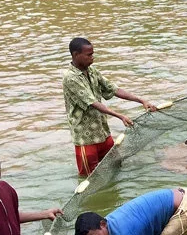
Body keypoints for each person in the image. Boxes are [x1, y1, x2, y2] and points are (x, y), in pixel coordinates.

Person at [63, 37, 159, 176]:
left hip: (102, 132)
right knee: (89, 178)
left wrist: (141, 100)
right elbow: (93, 103)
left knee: (115, 167)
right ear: (76, 55)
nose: (92, 58)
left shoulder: (92, 71)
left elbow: (113, 89)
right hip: (85, 138)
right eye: (89, 55)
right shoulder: (70, 77)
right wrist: (120, 116)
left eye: (92, 54)